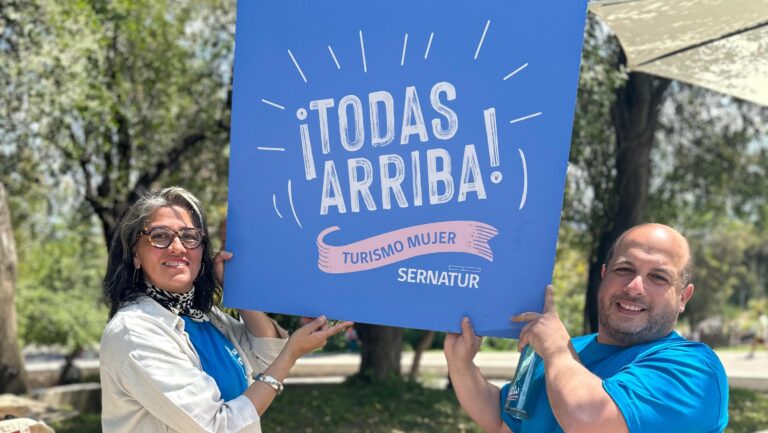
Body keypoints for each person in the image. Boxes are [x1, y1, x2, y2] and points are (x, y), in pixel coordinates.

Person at [99, 187, 352, 433]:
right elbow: (218, 426)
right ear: (135, 254)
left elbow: (267, 357)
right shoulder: (135, 332)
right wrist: (291, 354)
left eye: (189, 236)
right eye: (159, 236)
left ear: (201, 250)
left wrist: (236, 290)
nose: (177, 247)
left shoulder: (204, 316)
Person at [444, 223, 729, 433]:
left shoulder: (695, 370)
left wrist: (556, 349)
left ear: (683, 297)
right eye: (624, 269)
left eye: (658, 277)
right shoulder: (561, 353)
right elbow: (503, 422)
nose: (635, 287)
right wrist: (461, 365)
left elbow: (589, 422)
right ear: (603, 275)